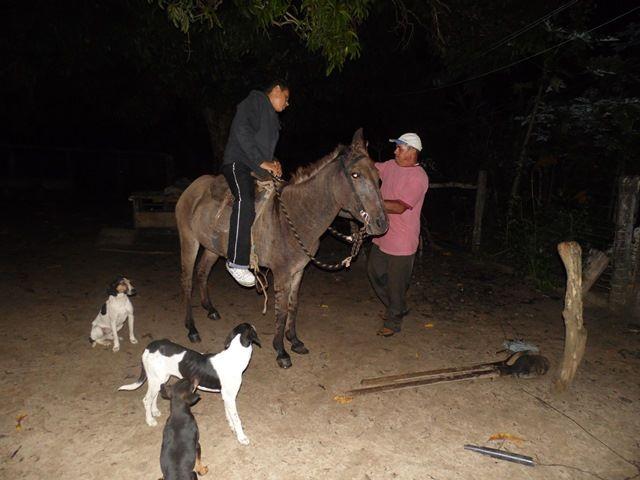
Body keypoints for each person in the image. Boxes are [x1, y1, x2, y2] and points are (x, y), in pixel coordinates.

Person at [221, 81, 290, 287]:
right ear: (276, 89)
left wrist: (273, 163)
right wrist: (263, 162)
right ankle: (236, 261)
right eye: (286, 98)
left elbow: (263, 151)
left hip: (255, 168)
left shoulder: (272, 119)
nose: (288, 103)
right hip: (238, 163)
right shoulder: (255, 101)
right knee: (245, 200)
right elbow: (241, 130)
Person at [367, 132, 429, 336]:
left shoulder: (418, 177)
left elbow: (399, 207)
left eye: (400, 148)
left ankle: (393, 321)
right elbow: (371, 167)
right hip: (382, 234)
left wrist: (369, 202)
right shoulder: (392, 166)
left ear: (412, 152)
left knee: (396, 283)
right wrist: (358, 154)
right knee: (374, 272)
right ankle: (398, 306)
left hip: (403, 240)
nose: (395, 151)